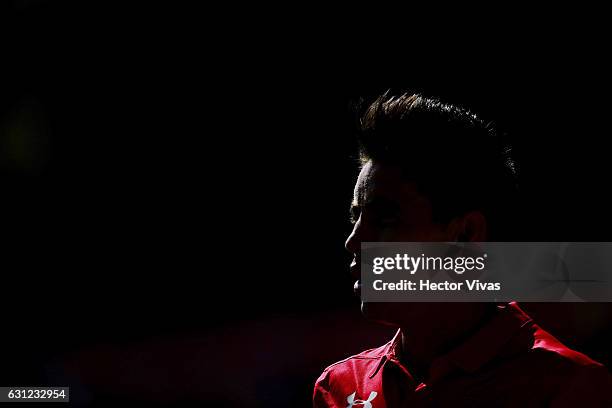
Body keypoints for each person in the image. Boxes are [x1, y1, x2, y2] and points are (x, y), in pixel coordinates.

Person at [313, 93, 612, 407]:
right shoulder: (338, 387)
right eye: (355, 217)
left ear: (465, 233)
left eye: (386, 220)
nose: (353, 241)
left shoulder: (566, 386)